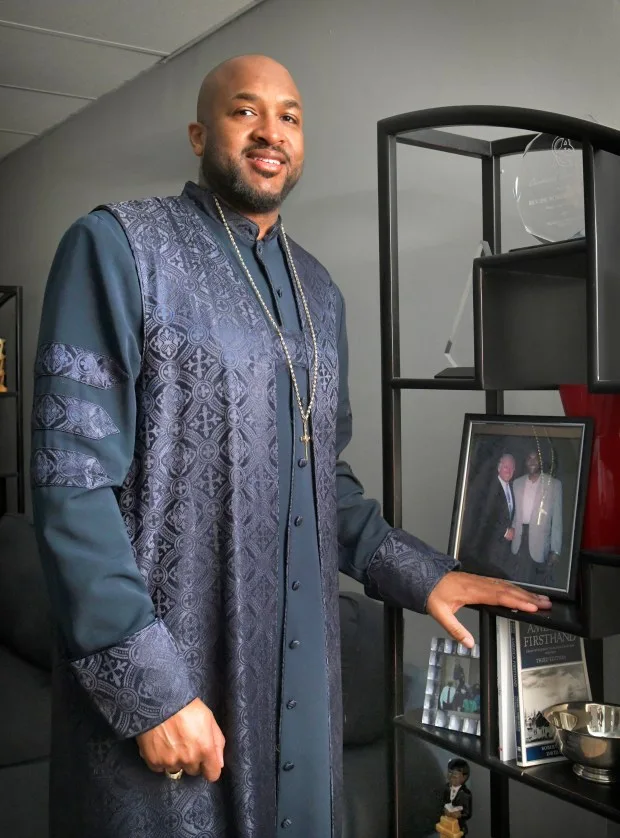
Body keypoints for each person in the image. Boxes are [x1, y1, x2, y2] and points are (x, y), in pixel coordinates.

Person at [31, 54, 550, 838]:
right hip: (175, 675)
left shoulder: (318, 291)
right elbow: (70, 484)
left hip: (299, 684)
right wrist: (150, 691)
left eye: (290, 116)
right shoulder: (118, 247)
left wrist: (425, 577)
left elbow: (323, 483)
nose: (271, 131)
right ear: (202, 132)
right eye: (246, 112)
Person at [458, 453, 517, 580]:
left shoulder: (510, 488)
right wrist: (505, 531)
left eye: (512, 468)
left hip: (500, 552)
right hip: (486, 549)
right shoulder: (490, 486)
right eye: (506, 466)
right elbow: (483, 515)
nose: (509, 470)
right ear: (498, 467)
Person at [511, 449, 563, 587]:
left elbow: (557, 520)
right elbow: (514, 513)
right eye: (529, 458)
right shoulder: (517, 483)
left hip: (540, 544)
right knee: (516, 582)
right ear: (525, 461)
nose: (532, 461)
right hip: (519, 538)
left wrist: (555, 550)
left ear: (541, 461)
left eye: (536, 458)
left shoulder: (553, 484)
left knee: (535, 586)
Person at [436, 758, 473, 837]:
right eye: (450, 773)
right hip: (446, 824)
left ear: (464, 777)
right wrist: (444, 809)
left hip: (458, 828)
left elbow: (468, 813)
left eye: (455, 774)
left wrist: (459, 815)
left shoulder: (466, 794)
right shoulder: (446, 788)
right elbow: (441, 802)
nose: (451, 776)